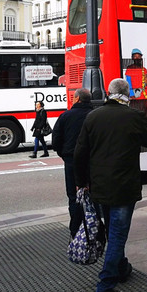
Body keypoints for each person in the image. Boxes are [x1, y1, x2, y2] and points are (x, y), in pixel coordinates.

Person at [74, 78, 147, 292]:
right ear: (127, 94)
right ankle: (105, 288)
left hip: (99, 187)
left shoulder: (93, 116)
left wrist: (81, 182)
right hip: (124, 186)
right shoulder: (133, 116)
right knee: (117, 235)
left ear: (108, 93)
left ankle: (121, 268)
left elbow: (80, 153)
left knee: (113, 229)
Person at [52, 88, 94, 238]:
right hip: (92, 160)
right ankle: (92, 227)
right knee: (93, 194)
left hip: (71, 160)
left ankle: (76, 229)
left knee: (73, 196)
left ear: (76, 99)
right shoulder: (94, 115)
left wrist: (63, 154)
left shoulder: (65, 116)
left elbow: (56, 140)